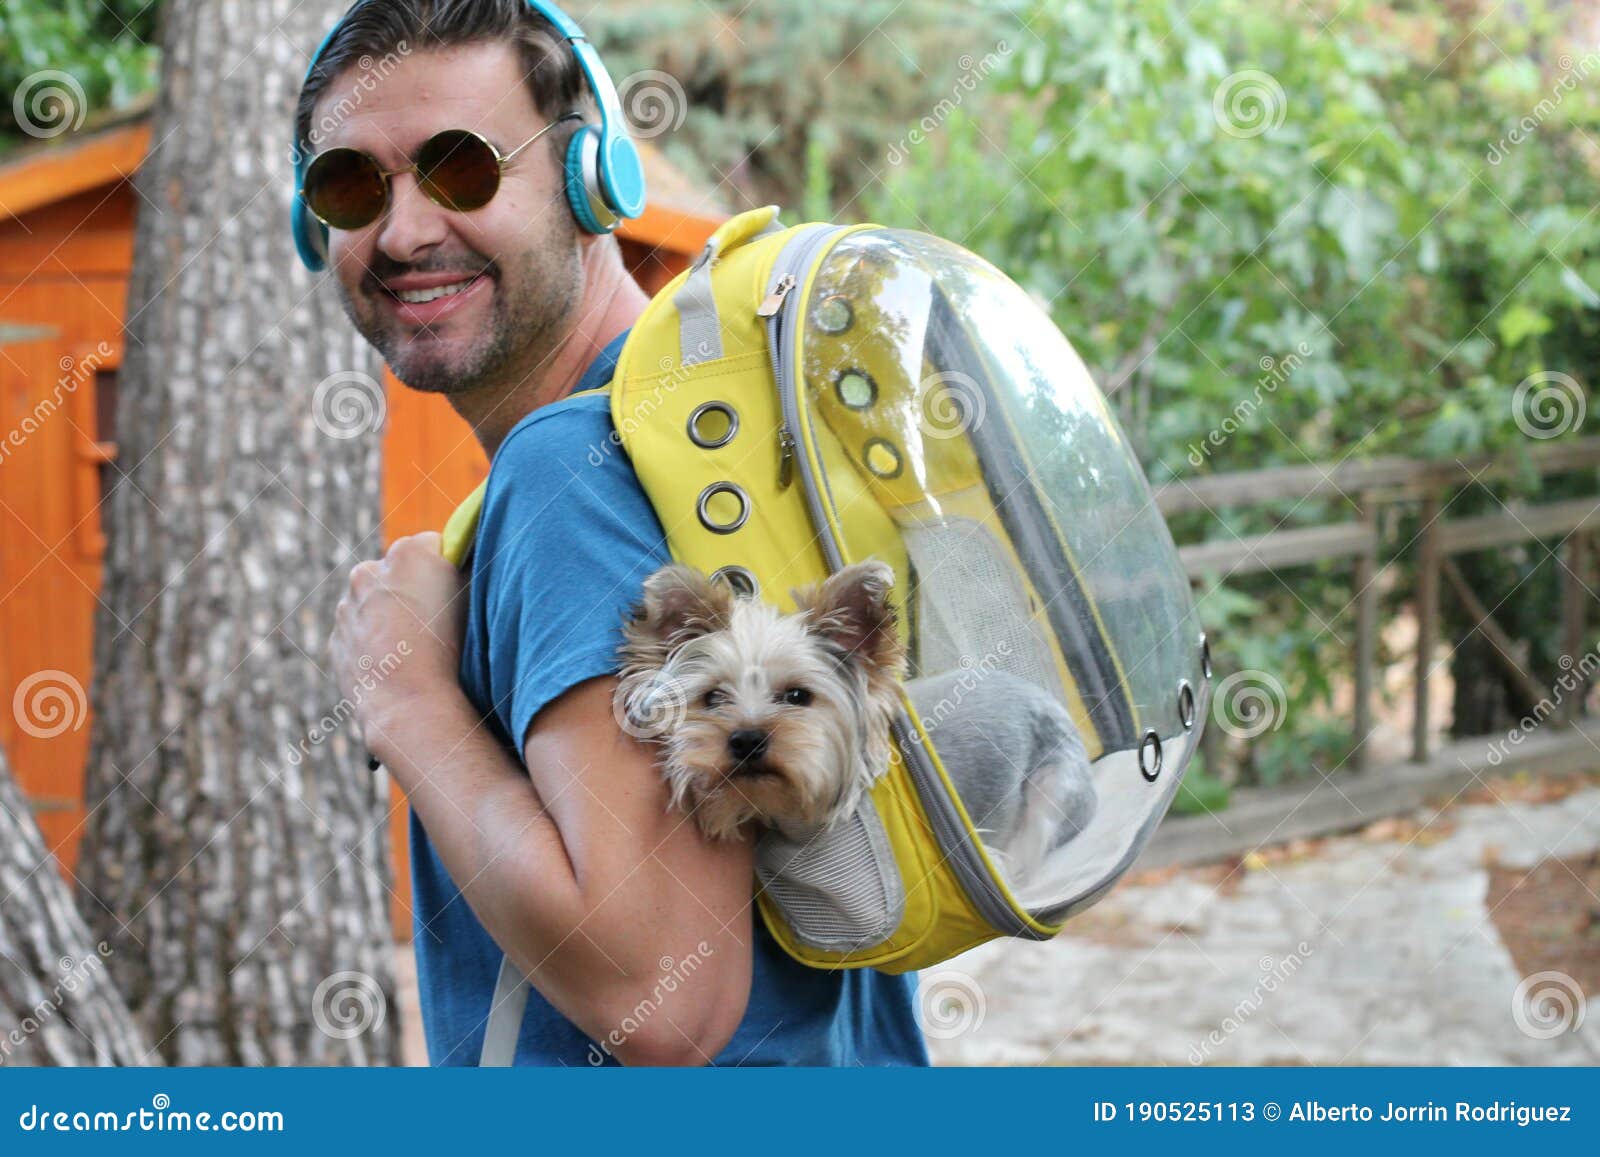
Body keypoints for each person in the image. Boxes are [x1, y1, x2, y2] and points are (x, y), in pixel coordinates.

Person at [310, 0, 928, 1066]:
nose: (404, 232)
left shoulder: (572, 472)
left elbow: (662, 998)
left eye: (463, 169)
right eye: (351, 184)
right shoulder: (711, 430)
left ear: (592, 178)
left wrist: (400, 694)